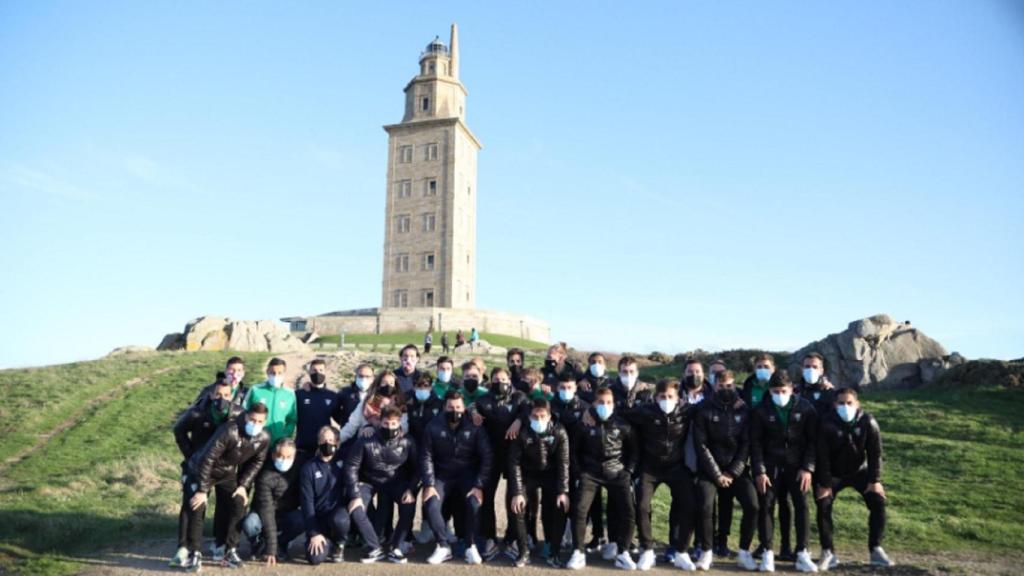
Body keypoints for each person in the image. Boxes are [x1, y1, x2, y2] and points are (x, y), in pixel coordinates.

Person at [180, 402, 271, 571]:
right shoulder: (229, 430)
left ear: (265, 422)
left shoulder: (264, 437)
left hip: (226, 473)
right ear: (246, 417)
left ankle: (230, 550)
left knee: (239, 502)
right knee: (197, 505)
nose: (255, 424)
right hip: (201, 470)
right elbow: (208, 458)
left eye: (260, 421)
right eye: (252, 420)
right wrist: (202, 490)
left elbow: (257, 462)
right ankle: (195, 552)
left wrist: (243, 485)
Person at [169, 376, 243, 567]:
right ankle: (185, 547)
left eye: (226, 395)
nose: (221, 399)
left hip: (224, 470)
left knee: (226, 505)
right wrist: (191, 455)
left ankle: (220, 543)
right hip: (198, 468)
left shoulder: (238, 414)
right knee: (192, 504)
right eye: (218, 394)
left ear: (232, 396)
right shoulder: (196, 413)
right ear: (211, 395)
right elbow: (178, 430)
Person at [815, 388, 892, 570]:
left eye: (849, 403)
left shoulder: (868, 421)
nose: (845, 407)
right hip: (833, 474)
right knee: (823, 504)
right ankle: (828, 552)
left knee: (878, 502)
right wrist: (824, 483)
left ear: (857, 404)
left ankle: (876, 549)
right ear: (835, 405)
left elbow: (875, 453)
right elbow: (822, 456)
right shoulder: (825, 423)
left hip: (860, 471)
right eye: (841, 403)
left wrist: (875, 480)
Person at [625, 379, 698, 571]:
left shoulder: (687, 410)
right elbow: (620, 414)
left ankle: (681, 552)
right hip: (650, 468)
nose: (666, 400)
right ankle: (647, 550)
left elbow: (709, 408)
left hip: (676, 467)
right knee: (641, 505)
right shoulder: (646, 411)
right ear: (656, 398)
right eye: (662, 397)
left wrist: (737, 402)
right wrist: (590, 412)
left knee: (689, 504)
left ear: (678, 397)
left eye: (670, 396)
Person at [750, 370, 818, 573]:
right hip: (770, 465)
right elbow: (755, 443)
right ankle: (768, 552)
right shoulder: (761, 410)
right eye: (775, 391)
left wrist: (807, 468)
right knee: (766, 505)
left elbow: (813, 441)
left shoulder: (805, 408)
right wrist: (759, 470)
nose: (780, 395)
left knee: (801, 505)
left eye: (783, 391)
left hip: (797, 466)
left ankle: (802, 552)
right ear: (770, 391)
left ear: (791, 389)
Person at [565, 387, 639, 571]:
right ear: (593, 403)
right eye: (600, 402)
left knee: (629, 510)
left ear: (613, 404)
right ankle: (578, 552)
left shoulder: (623, 424)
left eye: (608, 402)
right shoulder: (583, 424)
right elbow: (573, 451)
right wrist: (579, 473)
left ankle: (623, 553)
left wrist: (628, 471)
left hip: (617, 472)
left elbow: (634, 450)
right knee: (580, 509)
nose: (604, 405)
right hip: (590, 473)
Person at [693, 370, 760, 571]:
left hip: (736, 469)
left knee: (753, 505)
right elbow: (701, 445)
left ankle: (744, 552)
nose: (725, 389)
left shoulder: (743, 409)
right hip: (709, 469)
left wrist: (731, 472)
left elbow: (746, 444)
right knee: (705, 505)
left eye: (729, 385)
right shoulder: (703, 408)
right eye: (721, 386)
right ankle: (706, 551)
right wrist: (717, 475)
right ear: (714, 386)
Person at [420, 390, 494, 564]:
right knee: (431, 502)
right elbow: (426, 456)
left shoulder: (474, 425)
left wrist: (479, 485)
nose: (455, 411)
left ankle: (471, 546)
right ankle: (442, 546)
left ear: (464, 407)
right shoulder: (433, 426)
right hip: (442, 475)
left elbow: (487, 456)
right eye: (451, 407)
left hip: (467, 474)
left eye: (458, 407)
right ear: (444, 407)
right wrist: (429, 484)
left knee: (475, 503)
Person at [344, 405, 421, 564]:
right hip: (368, 482)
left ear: (399, 423)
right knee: (356, 508)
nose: (390, 427)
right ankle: (374, 547)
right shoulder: (365, 440)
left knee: (408, 505)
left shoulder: (408, 441)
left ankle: (396, 547)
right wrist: (355, 494)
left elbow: (418, 469)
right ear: (380, 422)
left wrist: (411, 489)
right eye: (386, 423)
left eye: (393, 424)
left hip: (395, 482)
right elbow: (351, 466)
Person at [742, 353, 795, 563]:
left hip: (784, 453)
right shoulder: (748, 386)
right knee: (765, 501)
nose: (762, 369)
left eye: (766, 366)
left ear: (773, 368)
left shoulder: (783, 388)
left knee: (785, 501)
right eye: (759, 366)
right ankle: (765, 544)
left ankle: (786, 546)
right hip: (758, 448)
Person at [473, 367, 529, 559]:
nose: (500, 383)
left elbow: (529, 410)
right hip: (491, 453)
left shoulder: (519, 397)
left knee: (514, 495)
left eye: (503, 379)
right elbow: (471, 407)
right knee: (487, 496)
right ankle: (489, 536)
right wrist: (472, 412)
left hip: (514, 454)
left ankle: (513, 537)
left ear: (510, 380)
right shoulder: (483, 400)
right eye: (496, 379)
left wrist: (519, 420)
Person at [507, 398, 571, 567]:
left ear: (549, 416)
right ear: (529, 417)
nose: (539, 420)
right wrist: (517, 492)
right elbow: (514, 463)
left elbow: (563, 463)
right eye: (535, 417)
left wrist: (563, 491)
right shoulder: (522, 432)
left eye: (543, 416)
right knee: (517, 505)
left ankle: (553, 551)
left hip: (551, 474)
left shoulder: (559, 432)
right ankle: (524, 551)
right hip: (528, 474)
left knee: (560, 505)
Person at [242, 438, 304, 565]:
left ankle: (282, 543)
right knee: (250, 524)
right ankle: (259, 544)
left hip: (286, 512)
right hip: (263, 512)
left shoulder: (300, 468)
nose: (284, 460)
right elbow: (267, 511)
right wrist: (271, 548)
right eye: (280, 456)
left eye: (288, 457)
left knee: (301, 520)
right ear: (273, 455)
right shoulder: (264, 475)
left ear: (294, 456)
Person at [299, 426, 351, 565]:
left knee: (340, 520)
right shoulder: (308, 468)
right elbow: (307, 503)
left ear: (337, 443)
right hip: (318, 519)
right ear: (318, 442)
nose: (327, 443)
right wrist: (314, 532)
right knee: (315, 559)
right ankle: (325, 541)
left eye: (330, 440)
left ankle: (339, 544)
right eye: (323, 440)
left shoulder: (343, 463)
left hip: (337, 515)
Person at [245, 357, 297, 445]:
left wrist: (285, 435)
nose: (276, 376)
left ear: (284, 373)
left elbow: (291, 420)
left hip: (278, 443)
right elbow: (244, 412)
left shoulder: (290, 394)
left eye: (279, 373)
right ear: (267, 372)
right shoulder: (255, 390)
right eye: (273, 373)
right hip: (255, 441)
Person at [295, 359, 338, 464]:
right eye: (314, 370)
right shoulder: (299, 394)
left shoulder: (332, 396)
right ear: (309, 372)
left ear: (325, 372)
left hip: (323, 449)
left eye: (321, 370)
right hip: (302, 448)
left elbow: (341, 419)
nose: (317, 373)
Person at [332, 363, 374, 433]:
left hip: (370, 434)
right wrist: (345, 422)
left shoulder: (377, 394)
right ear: (356, 377)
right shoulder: (345, 393)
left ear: (373, 378)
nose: (364, 379)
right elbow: (335, 410)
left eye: (367, 376)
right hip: (349, 434)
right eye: (361, 376)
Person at [408, 374, 443, 446]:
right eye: (419, 386)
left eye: (426, 386)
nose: (422, 388)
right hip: (413, 444)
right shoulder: (409, 405)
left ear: (430, 387)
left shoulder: (439, 404)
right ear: (414, 387)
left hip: (433, 443)